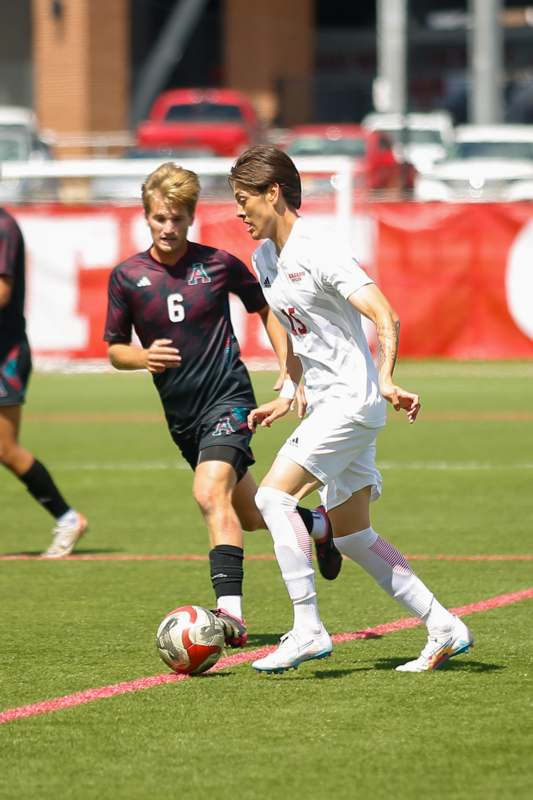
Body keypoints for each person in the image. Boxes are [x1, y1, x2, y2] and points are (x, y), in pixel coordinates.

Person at [229, 145, 474, 673]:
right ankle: (443, 626)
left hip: (349, 404)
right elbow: (300, 328)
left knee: (273, 499)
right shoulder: (265, 258)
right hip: (330, 404)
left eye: (244, 198)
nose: (239, 210)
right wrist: (290, 386)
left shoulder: (319, 249)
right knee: (354, 536)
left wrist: (385, 378)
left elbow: (385, 314)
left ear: (274, 193)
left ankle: (307, 628)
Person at [103, 162, 341, 649]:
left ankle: (229, 615)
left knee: (208, 493)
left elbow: (268, 312)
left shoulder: (218, 264)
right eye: (159, 218)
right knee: (251, 515)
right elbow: (113, 348)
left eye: (177, 218)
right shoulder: (127, 276)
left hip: (229, 401)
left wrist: (286, 367)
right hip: (183, 420)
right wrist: (141, 356)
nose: (168, 228)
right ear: (145, 217)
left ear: (191, 218)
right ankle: (320, 524)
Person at [0, 206, 87, 557]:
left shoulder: (3, 226)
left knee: (5, 447)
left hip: (4, 356)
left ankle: (67, 518)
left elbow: (2, 291)